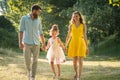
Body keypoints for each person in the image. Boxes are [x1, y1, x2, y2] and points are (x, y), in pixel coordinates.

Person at [19, 4, 45, 80]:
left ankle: (32, 76)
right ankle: (29, 72)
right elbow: (21, 31)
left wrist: (43, 44)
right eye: (38, 12)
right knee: (27, 60)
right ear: (34, 10)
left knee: (35, 60)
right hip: (26, 43)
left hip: (36, 43)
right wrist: (20, 42)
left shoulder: (38, 20)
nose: (39, 13)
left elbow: (41, 32)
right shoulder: (24, 18)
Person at [65, 11, 89, 80]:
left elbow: (84, 36)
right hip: (73, 43)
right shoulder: (71, 25)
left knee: (80, 61)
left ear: (79, 16)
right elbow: (69, 35)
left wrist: (87, 47)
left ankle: (79, 77)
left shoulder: (83, 25)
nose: (75, 17)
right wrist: (66, 45)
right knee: (74, 62)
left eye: (76, 16)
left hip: (81, 43)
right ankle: (76, 73)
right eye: (74, 16)